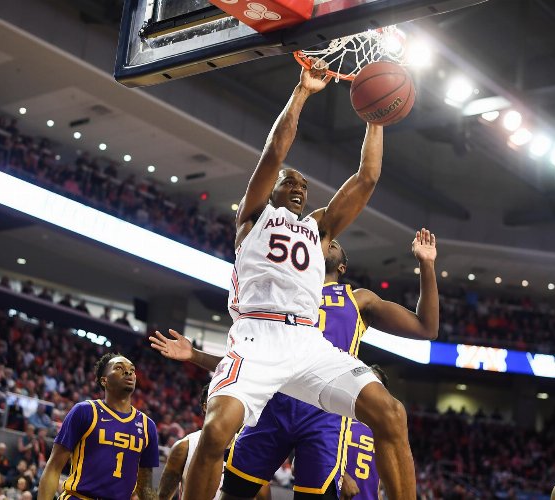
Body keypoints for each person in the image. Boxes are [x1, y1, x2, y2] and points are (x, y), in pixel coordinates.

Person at [177, 60, 415, 499]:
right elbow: (274, 154)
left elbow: (367, 177)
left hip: (307, 341)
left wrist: (375, 120)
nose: (299, 187)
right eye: (291, 182)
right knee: (215, 433)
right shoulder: (253, 218)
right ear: (272, 191)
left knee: (391, 414)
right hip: (256, 335)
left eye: (304, 185)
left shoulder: (319, 229)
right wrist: (303, 92)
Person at [151, 229, 438, 498]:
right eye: (325, 239)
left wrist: (426, 265)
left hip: (323, 414)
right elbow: (246, 361)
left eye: (335, 243)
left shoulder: (358, 298)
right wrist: (195, 355)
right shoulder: (282, 291)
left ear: (342, 268)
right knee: (234, 493)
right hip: (272, 404)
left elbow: (426, 328)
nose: (329, 241)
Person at [37, 353, 160, 500]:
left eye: (132, 370)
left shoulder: (148, 426)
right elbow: (53, 468)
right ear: (104, 380)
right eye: (119, 368)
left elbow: (145, 487)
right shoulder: (85, 411)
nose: (128, 372)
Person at [336, 365, 388, 500]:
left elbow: (377, 484)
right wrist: (343, 476)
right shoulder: (337, 416)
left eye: (376, 384)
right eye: (366, 381)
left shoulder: (383, 431)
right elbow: (301, 461)